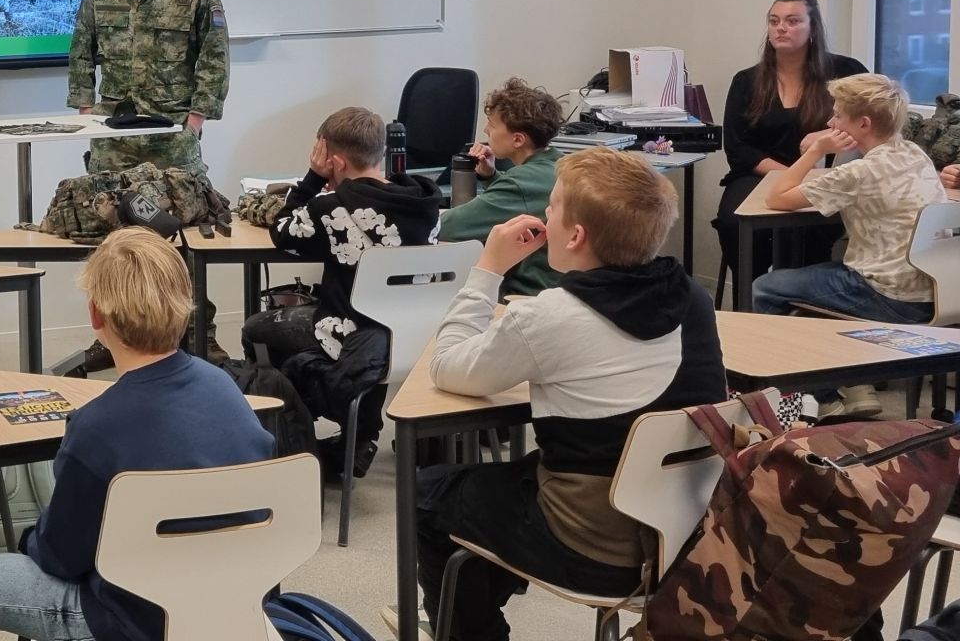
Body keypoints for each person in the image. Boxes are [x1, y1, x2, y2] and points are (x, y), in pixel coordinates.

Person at [412, 149, 725, 641]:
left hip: (594, 547)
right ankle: (472, 602)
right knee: (498, 489)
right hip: (688, 535)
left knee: (430, 496)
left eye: (552, 208)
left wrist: (488, 268)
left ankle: (470, 626)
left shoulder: (549, 316)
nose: (544, 217)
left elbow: (447, 367)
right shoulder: (694, 296)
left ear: (576, 236)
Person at [0, 228, 274, 641]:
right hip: (232, 603)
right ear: (185, 309)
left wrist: (27, 541)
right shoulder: (228, 391)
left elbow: (62, 558)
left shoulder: (95, 427)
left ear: (96, 316)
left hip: (131, 619)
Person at [67, 0, 231, 358]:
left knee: (177, 236)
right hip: (114, 134)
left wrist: (196, 118)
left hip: (169, 136)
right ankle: (115, 333)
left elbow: (215, 59)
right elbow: (81, 48)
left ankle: (198, 330)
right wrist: (84, 109)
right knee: (113, 238)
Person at [243, 107, 441, 480]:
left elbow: (283, 231)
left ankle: (291, 434)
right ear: (379, 153)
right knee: (369, 328)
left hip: (348, 334)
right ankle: (361, 435)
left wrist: (312, 179)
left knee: (257, 328)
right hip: (413, 338)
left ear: (331, 159)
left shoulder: (331, 208)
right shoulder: (427, 205)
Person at [755, 73, 943, 418]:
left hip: (887, 298)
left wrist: (816, 149)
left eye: (838, 115)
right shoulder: (914, 154)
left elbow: (777, 197)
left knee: (767, 287)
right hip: (936, 293)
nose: (830, 122)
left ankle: (825, 398)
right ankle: (852, 387)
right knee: (814, 282)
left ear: (863, 123)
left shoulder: (859, 172)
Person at [714, 0, 867, 280]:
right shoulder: (747, 81)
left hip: (826, 176)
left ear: (813, 28)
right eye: (774, 21)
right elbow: (737, 147)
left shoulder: (847, 72)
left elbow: (872, 125)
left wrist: (826, 144)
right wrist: (790, 173)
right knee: (734, 223)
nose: (780, 28)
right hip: (759, 174)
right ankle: (753, 299)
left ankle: (798, 299)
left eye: (792, 21)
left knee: (813, 224)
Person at [437, 78, 566, 297]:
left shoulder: (520, 183)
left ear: (517, 140)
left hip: (527, 295)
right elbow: (523, 197)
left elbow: (448, 227)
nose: (486, 130)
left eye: (492, 125)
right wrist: (491, 176)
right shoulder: (558, 163)